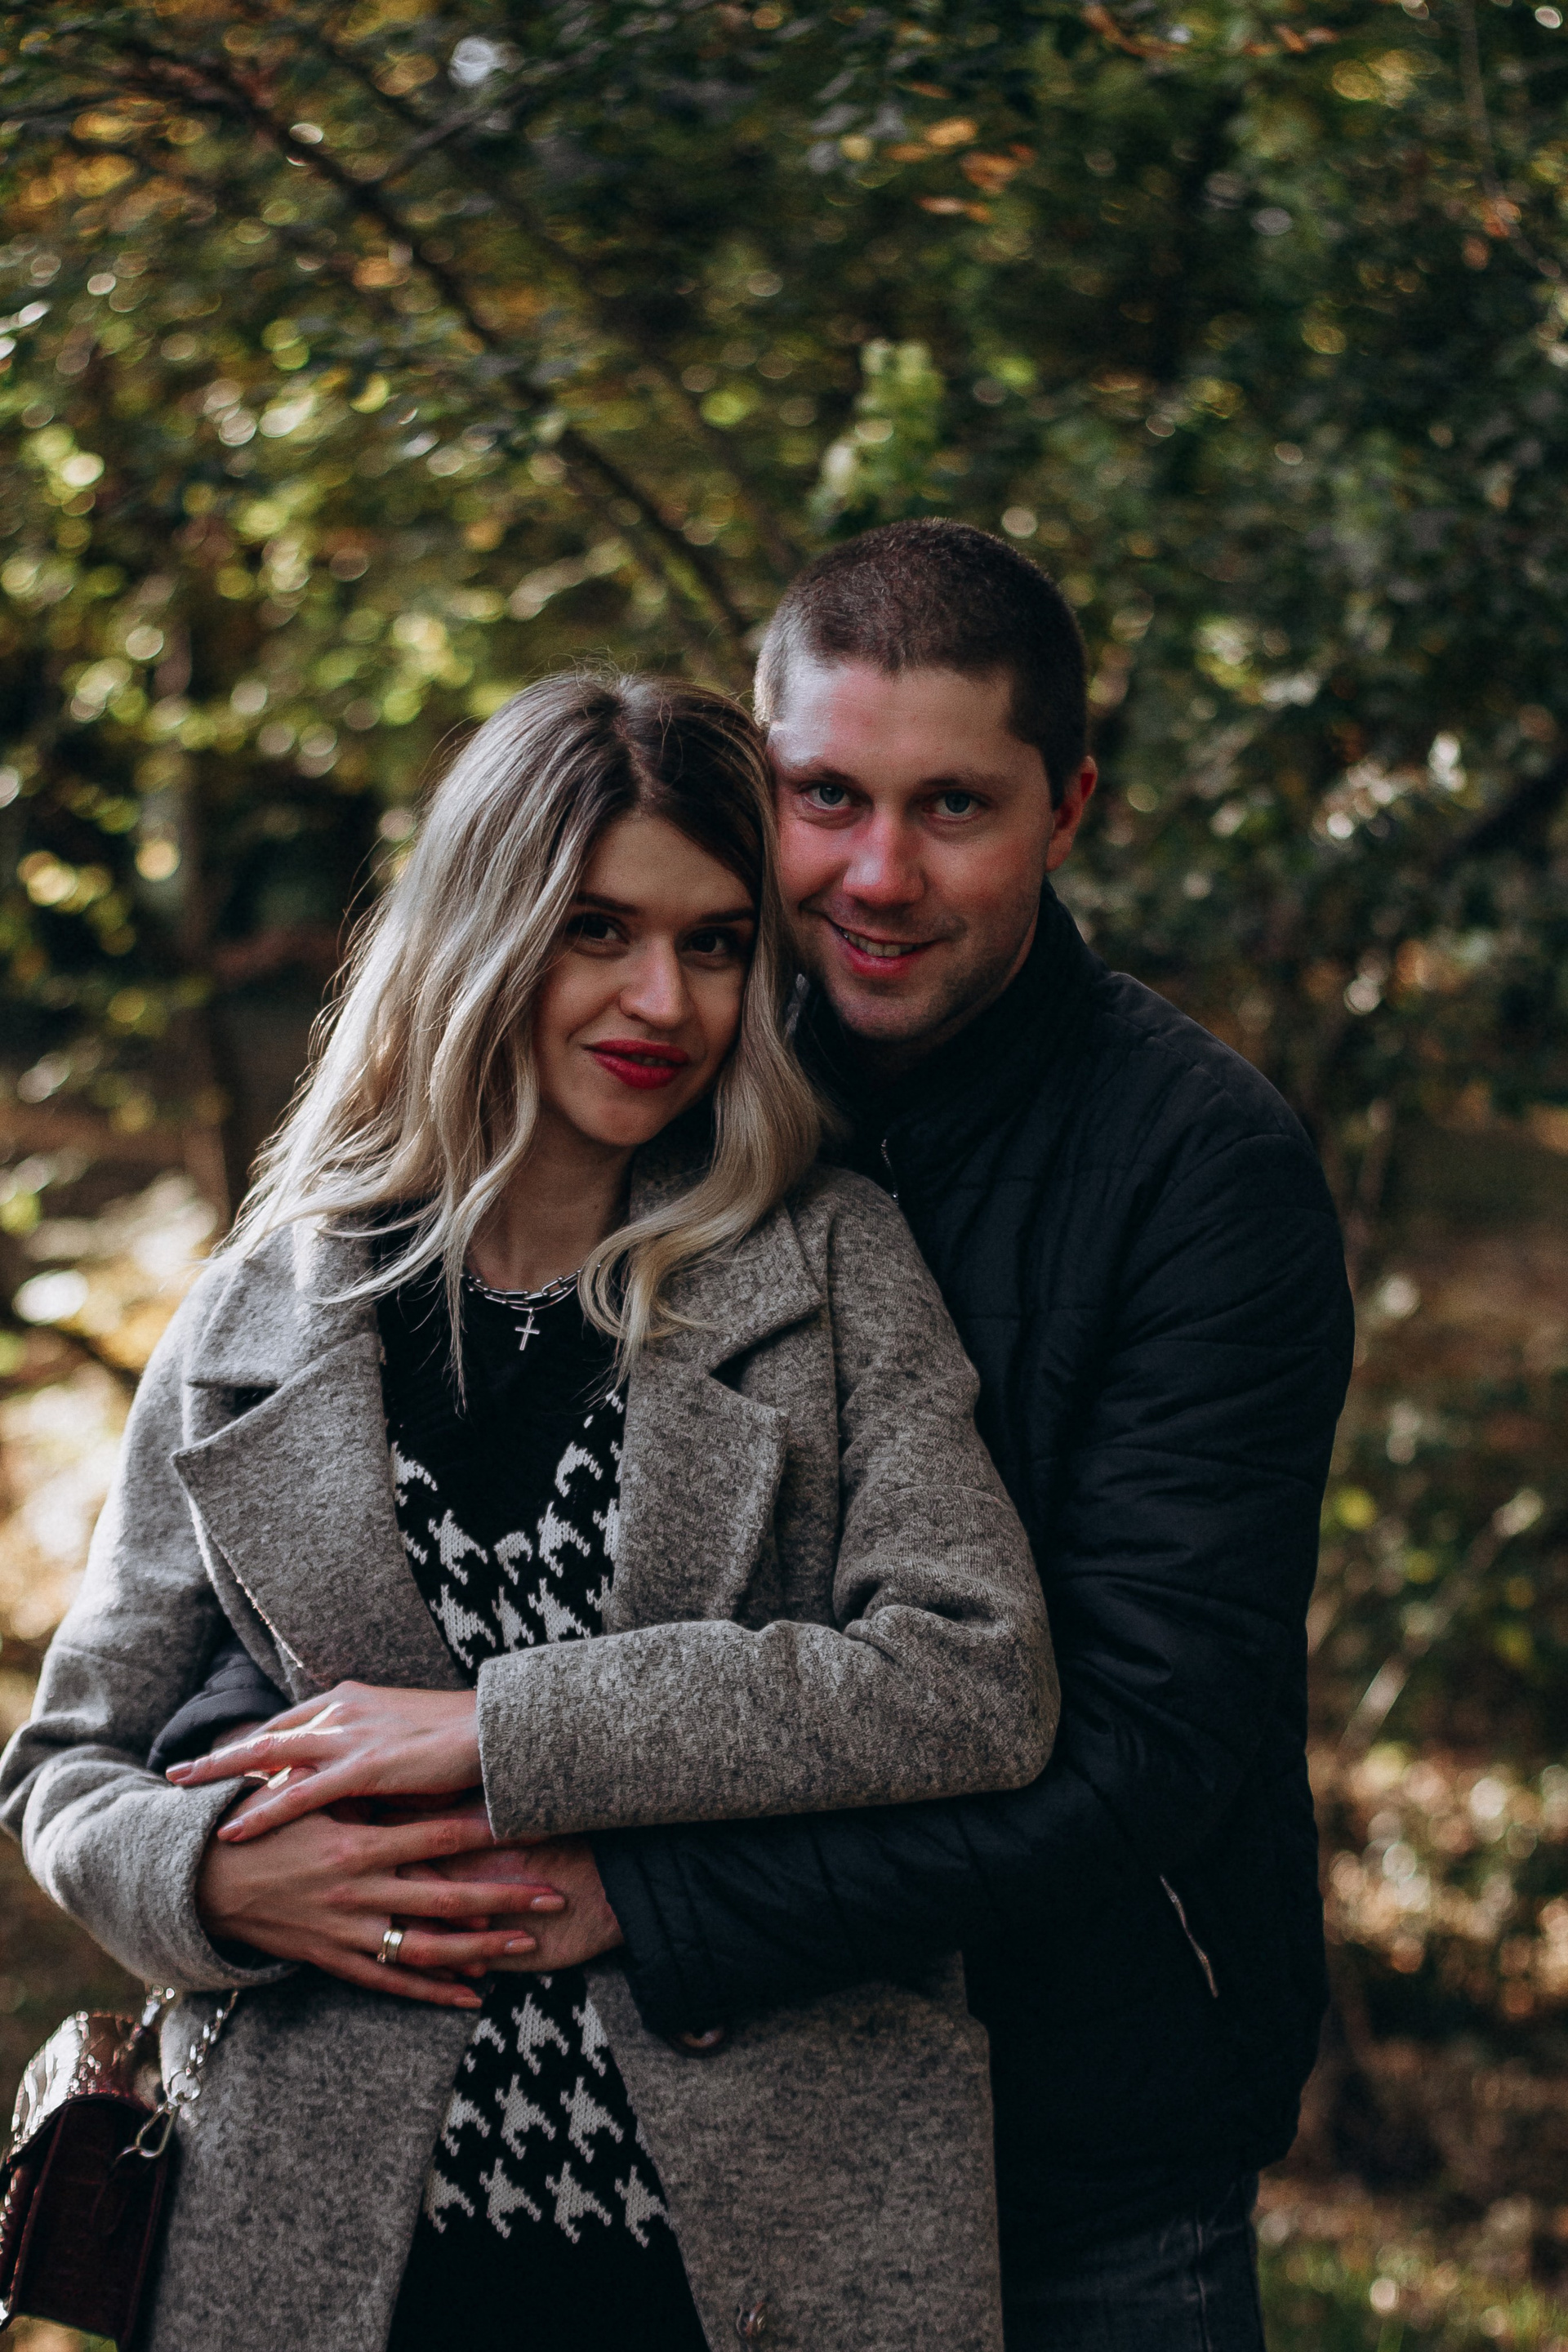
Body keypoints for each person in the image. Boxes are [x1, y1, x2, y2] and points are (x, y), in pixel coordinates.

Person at [0, 673, 1058, 2352]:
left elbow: (972, 1674)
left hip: (754, 2246)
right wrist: (209, 1885)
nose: (663, 999)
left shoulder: (830, 1268)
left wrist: (503, 1727)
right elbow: (67, 1767)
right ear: (483, 931)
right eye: (597, 931)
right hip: (319, 2253)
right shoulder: (257, 1312)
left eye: (716, 944)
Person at [481, 523, 1355, 2350]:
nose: (879, 875)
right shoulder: (652, 1085)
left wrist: (647, 1898)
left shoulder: (1204, 1172)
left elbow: (1144, 1744)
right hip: (705, 2136)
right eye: (827, 798)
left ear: (1069, 807)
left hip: (1083, 2149)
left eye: (954, 805)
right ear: (760, 779)